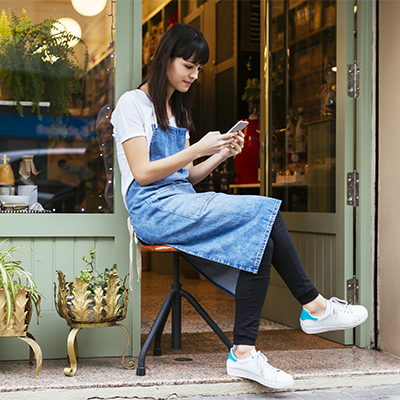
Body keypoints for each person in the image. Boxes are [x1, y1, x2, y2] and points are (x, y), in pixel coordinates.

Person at [111, 24, 368, 390]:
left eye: (199, 69)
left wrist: (220, 154)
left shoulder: (177, 111)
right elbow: (144, 172)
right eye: (188, 66)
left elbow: (187, 177)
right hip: (151, 209)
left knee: (257, 232)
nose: (194, 75)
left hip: (182, 201)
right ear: (165, 59)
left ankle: (244, 354)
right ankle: (314, 308)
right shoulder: (131, 104)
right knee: (264, 211)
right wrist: (198, 147)